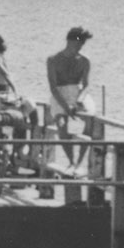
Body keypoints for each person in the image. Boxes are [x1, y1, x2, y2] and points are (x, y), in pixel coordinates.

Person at [45, 26, 93, 198]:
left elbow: (86, 84)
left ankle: (79, 162)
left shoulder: (84, 60)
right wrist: (66, 107)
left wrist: (79, 100)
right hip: (60, 94)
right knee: (62, 124)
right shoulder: (53, 60)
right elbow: (53, 87)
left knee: (89, 123)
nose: (80, 46)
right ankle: (71, 161)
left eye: (83, 43)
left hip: (78, 93)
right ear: (70, 40)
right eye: (78, 42)